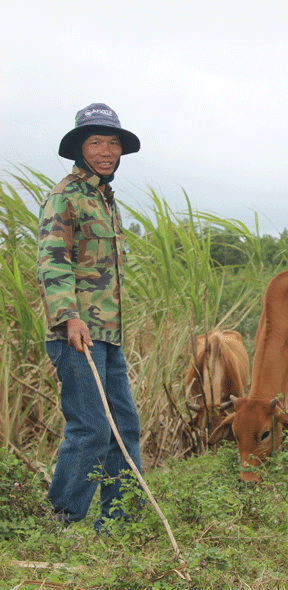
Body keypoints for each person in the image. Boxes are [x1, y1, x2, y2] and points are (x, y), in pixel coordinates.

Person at [37, 103, 143, 532]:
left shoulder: (104, 198)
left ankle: (119, 525)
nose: (106, 150)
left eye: (113, 142)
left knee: (124, 427)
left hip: (108, 335)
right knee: (92, 429)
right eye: (97, 141)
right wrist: (68, 318)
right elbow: (52, 261)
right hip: (76, 334)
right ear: (81, 147)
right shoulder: (66, 194)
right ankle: (59, 525)